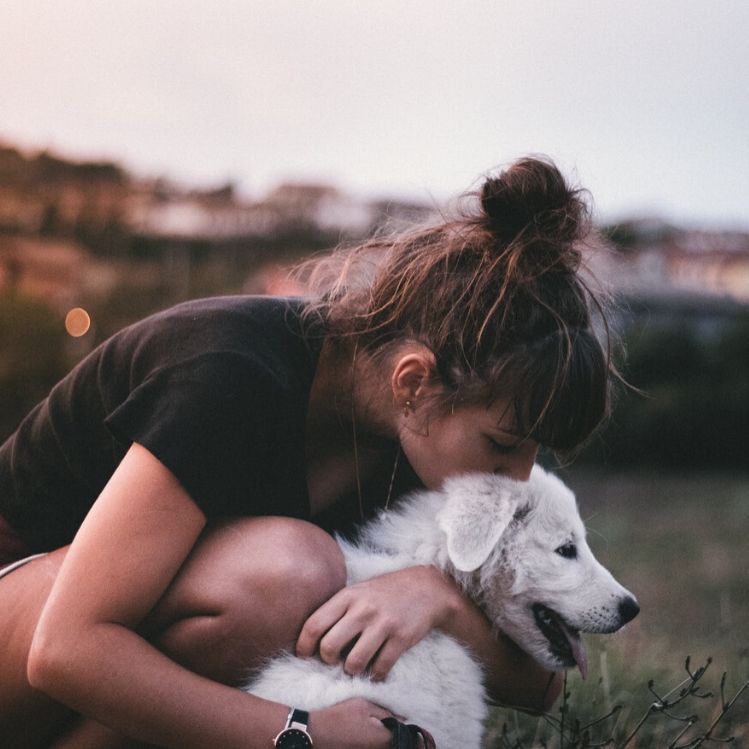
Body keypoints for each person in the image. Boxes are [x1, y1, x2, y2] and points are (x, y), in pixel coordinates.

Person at [0, 156, 613, 748]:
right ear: (413, 383)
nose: (520, 474)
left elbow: (542, 685)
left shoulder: (420, 447)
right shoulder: (228, 373)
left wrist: (439, 599)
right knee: (289, 574)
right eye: (503, 443)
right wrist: (300, 734)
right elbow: (65, 649)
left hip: (71, 667)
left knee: (291, 581)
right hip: (26, 623)